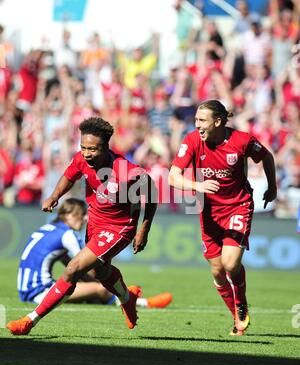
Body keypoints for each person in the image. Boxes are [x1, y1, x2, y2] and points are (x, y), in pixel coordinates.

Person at [7, 116, 158, 335]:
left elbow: (152, 195)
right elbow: (69, 176)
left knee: (73, 269)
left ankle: (30, 321)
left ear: (106, 147)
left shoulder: (128, 172)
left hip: (119, 227)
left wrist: (144, 229)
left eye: (93, 149)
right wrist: (54, 196)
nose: (86, 153)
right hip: (95, 222)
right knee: (100, 272)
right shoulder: (81, 159)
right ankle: (128, 298)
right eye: (83, 147)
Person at [168, 100, 277, 335]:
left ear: (217, 122)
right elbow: (172, 177)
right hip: (208, 212)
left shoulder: (242, 140)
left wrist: (273, 187)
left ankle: (241, 303)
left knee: (230, 263)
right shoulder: (192, 141)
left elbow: (266, 157)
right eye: (196, 120)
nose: (197, 125)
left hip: (238, 206)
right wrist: (198, 184)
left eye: (202, 120)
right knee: (217, 271)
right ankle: (237, 319)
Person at [17, 198, 172, 308]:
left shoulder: (48, 229)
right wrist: (104, 282)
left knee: (87, 283)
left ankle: (107, 298)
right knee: (101, 289)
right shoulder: (67, 235)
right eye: (81, 214)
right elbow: (90, 268)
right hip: (39, 292)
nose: (85, 219)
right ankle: (142, 303)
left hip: (24, 288)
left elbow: (69, 264)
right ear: (68, 215)